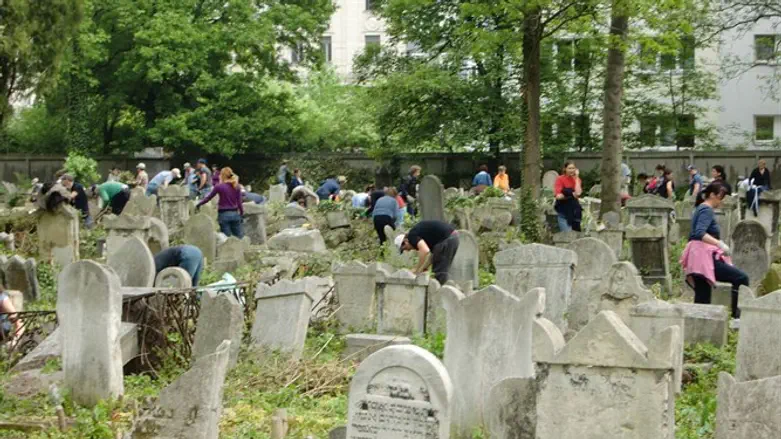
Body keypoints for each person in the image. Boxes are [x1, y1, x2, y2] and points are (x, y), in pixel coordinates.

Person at [680, 182, 748, 318]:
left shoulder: (700, 208)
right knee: (741, 278)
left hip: (697, 255)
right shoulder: (706, 210)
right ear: (712, 195)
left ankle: (698, 329)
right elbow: (699, 232)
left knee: (702, 296)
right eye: (720, 197)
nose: (721, 201)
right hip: (703, 256)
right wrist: (719, 244)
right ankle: (736, 317)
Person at [396, 220, 460, 284]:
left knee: (439, 272)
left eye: (404, 248)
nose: (407, 250)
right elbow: (432, 256)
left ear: (405, 241)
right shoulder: (423, 236)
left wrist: (417, 269)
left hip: (447, 239)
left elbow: (424, 251)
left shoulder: (411, 236)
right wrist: (424, 267)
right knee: (441, 269)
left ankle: (440, 292)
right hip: (453, 236)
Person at [197, 167, 244, 238]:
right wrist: (241, 213)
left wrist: (199, 204)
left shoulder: (219, 186)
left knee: (225, 239)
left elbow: (208, 198)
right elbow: (239, 202)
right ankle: (242, 249)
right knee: (239, 237)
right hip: (235, 214)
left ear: (222, 175)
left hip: (223, 214)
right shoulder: (237, 186)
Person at [553, 161, 582, 232]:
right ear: (565, 169)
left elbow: (578, 193)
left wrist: (577, 178)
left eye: (573, 168)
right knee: (567, 235)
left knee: (576, 235)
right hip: (563, 211)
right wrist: (571, 194)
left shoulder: (577, 180)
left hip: (575, 211)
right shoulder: (560, 179)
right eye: (569, 168)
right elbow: (558, 196)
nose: (571, 170)